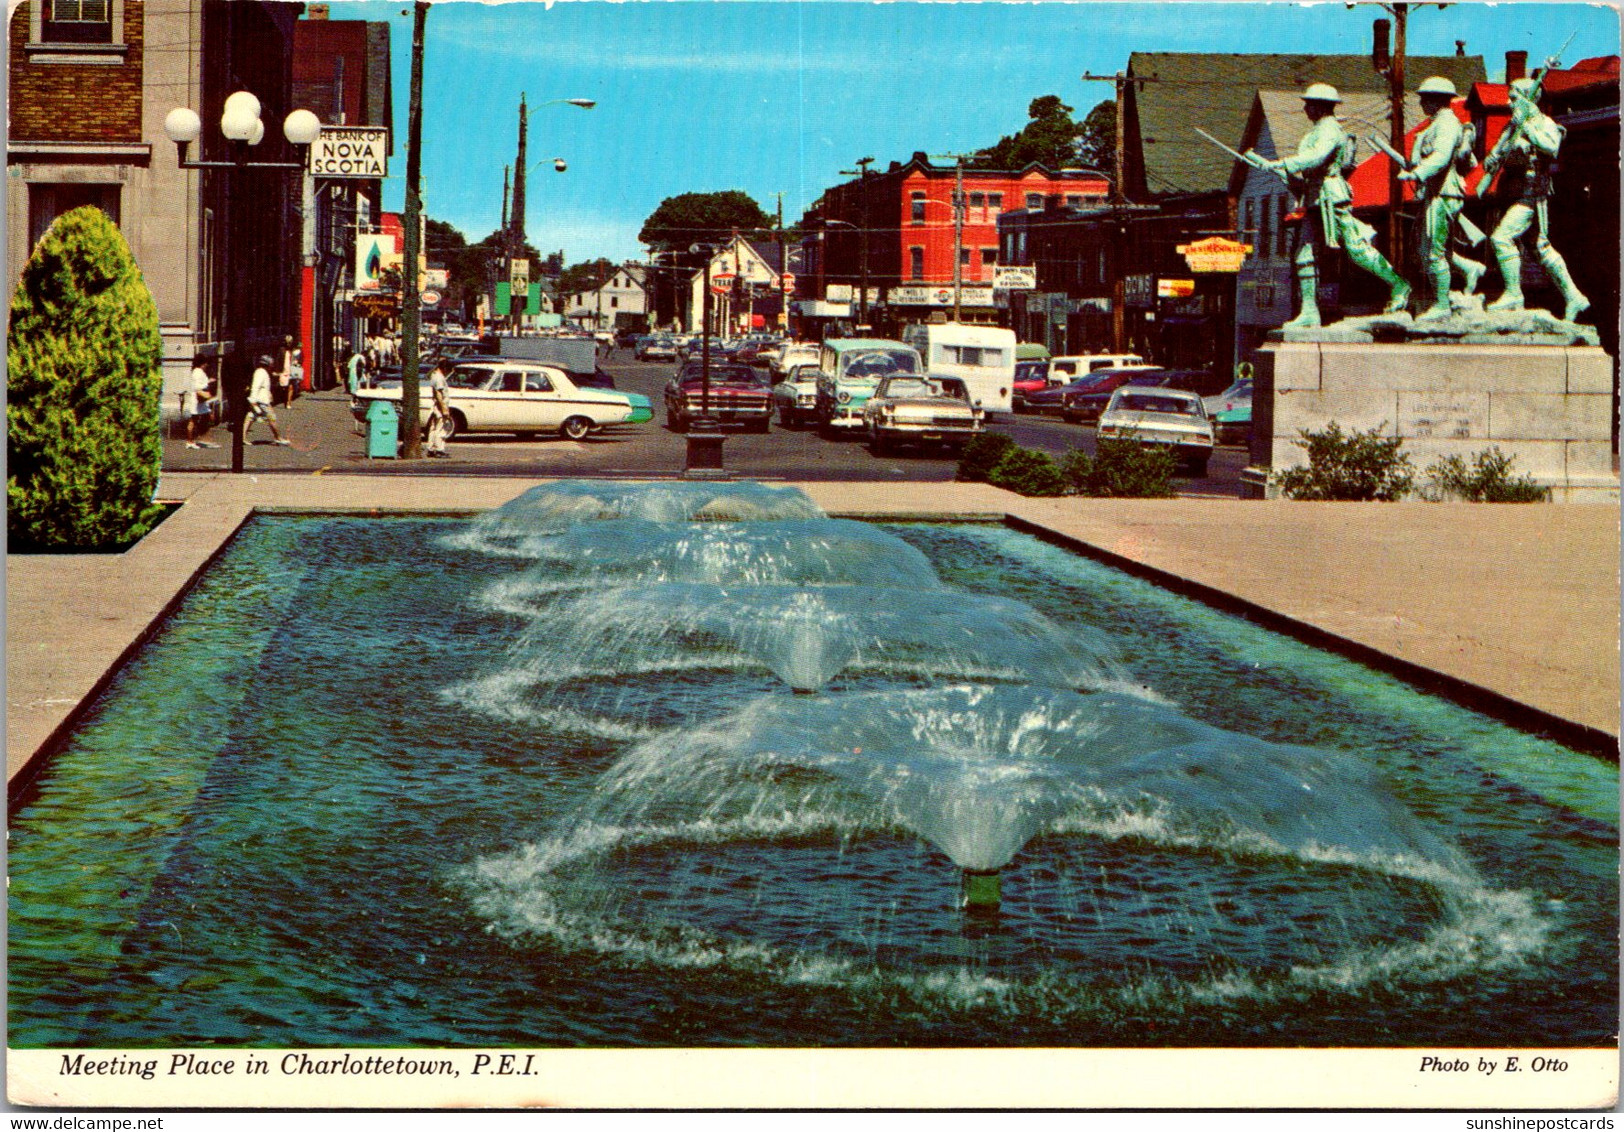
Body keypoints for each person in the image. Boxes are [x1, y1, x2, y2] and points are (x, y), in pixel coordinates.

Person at [1259, 83, 1409, 328]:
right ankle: (1309, 310)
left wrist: (1284, 162)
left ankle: (1398, 284)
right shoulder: (1314, 131)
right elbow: (1307, 169)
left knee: (1356, 249)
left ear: (1320, 106)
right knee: (1304, 254)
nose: (1306, 108)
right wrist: (1285, 174)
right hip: (1314, 197)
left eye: (1310, 103)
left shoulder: (1330, 129)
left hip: (1331, 196)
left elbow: (1317, 156)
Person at [1476, 73, 1590, 322]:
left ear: (1528, 100)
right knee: (1541, 248)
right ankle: (1574, 296)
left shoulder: (1544, 122)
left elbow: (1552, 147)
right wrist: (1492, 159)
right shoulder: (1511, 125)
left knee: (1501, 238)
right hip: (1513, 191)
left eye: (1513, 98)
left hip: (1532, 193)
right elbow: (1494, 157)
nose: (1508, 103)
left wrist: (1526, 126)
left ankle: (1514, 293)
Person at [1399, 77, 1486, 321]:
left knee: (1432, 252)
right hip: (1435, 193)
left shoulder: (1447, 124)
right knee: (1428, 248)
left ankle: (1441, 305)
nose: (1421, 103)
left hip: (1444, 193)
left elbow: (1441, 156)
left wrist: (1416, 173)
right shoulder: (1436, 124)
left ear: (1438, 100)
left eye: (1426, 98)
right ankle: (1470, 268)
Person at [243, 354, 291, 445]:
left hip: (260, 400)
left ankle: (242, 437)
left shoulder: (262, 372)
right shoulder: (260, 373)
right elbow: (255, 387)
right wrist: (253, 401)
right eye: (271, 364)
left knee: (250, 417)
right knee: (272, 418)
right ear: (267, 364)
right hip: (261, 401)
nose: (272, 366)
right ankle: (278, 438)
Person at [183, 355, 218, 449]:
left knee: (198, 419)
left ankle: (193, 440)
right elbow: (198, 387)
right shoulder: (198, 372)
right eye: (205, 363)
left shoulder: (197, 371)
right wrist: (208, 382)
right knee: (196, 420)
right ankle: (191, 440)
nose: (206, 365)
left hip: (199, 400)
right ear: (202, 363)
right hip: (198, 400)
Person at [424, 359, 453, 458]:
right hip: (440, 406)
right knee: (441, 428)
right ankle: (439, 449)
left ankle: (431, 448)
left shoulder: (434, 375)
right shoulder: (439, 378)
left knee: (434, 427)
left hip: (436, 406)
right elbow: (439, 394)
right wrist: (444, 409)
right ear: (444, 368)